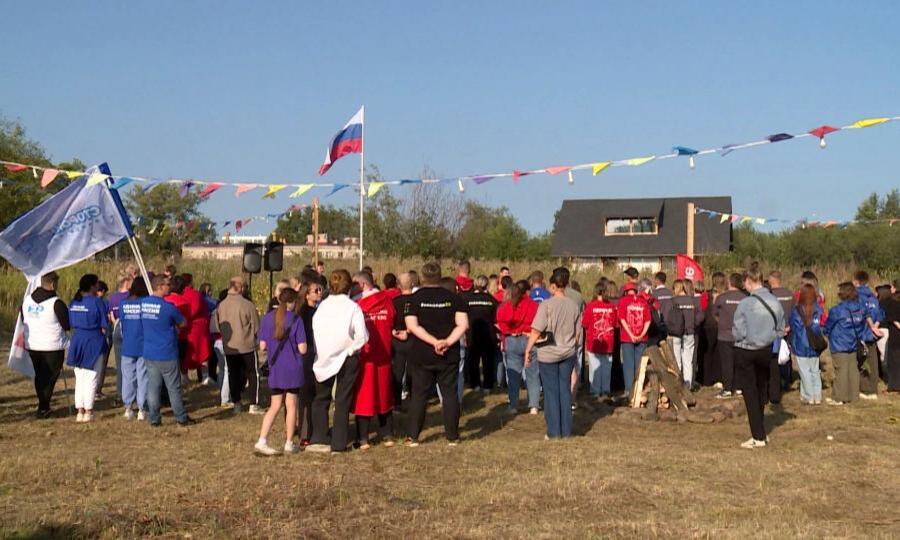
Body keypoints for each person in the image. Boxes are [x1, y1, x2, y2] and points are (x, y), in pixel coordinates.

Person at [404, 262, 468, 446]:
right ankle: (452, 436)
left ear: (422, 277)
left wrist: (433, 342)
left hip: (422, 354)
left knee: (419, 394)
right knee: (449, 394)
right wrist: (446, 342)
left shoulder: (413, 299)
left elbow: (412, 326)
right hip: (448, 353)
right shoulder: (454, 298)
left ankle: (413, 436)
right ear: (440, 277)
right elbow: (462, 325)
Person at [308, 270, 368, 453]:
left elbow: (315, 329)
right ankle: (339, 443)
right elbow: (363, 336)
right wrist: (351, 349)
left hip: (324, 355)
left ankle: (319, 437)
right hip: (347, 356)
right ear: (349, 286)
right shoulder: (352, 307)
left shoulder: (322, 307)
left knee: (320, 398)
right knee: (342, 400)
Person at [525, 267, 581, 439]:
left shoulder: (546, 305)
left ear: (552, 286)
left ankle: (553, 431)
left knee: (550, 392)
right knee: (564, 390)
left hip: (548, 353)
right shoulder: (574, 305)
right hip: (568, 352)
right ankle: (566, 431)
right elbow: (577, 332)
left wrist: (528, 350)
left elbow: (536, 330)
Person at [733, 269, 784, 449]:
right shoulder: (774, 301)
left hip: (747, 349)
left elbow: (738, 330)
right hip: (766, 349)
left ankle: (758, 436)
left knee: (750, 392)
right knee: (761, 388)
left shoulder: (746, 303)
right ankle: (760, 430)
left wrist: (745, 338)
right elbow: (780, 328)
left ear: (748, 281)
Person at [255, 288, 307, 456]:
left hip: (276, 368)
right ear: (294, 302)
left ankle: (262, 440)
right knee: (291, 406)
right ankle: (289, 442)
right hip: (293, 368)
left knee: (274, 406)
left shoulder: (268, 318)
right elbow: (303, 348)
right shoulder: (297, 320)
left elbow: (262, 346)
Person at [141, 275, 193, 426]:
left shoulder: (143, 304)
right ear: (159, 286)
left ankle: (154, 418)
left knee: (153, 386)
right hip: (167, 352)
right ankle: (181, 417)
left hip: (150, 352)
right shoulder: (168, 307)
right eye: (167, 284)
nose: (169, 287)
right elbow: (183, 323)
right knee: (174, 388)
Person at [353, 272, 397, 449]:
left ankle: (363, 438)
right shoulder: (387, 301)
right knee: (384, 394)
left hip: (365, 355)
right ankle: (387, 435)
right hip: (384, 354)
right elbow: (393, 319)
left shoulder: (357, 305)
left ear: (362, 284)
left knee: (364, 396)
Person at [21, 271, 70, 418]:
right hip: (52, 346)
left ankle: (43, 405)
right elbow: (67, 325)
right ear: (53, 284)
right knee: (49, 378)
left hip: (33, 345)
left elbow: (23, 317)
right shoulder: (56, 303)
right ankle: (43, 407)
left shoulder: (27, 300)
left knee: (39, 376)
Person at [216, 276, 262, 414]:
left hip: (229, 347)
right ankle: (254, 403)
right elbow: (256, 326)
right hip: (247, 345)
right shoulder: (247, 305)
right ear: (241, 287)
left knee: (233, 374)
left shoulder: (221, 305)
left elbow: (217, 326)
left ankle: (236, 402)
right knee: (253, 374)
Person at [66, 274, 109, 423]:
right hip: (93, 340)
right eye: (97, 284)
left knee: (80, 377)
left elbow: (70, 322)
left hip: (77, 339)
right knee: (91, 376)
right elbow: (104, 325)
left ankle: (80, 411)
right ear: (92, 286)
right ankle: (88, 411)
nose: (98, 286)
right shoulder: (97, 302)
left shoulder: (73, 302)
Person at [496, 280, 541, 415]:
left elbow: (500, 320)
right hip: (529, 339)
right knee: (533, 374)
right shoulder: (533, 305)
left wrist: (508, 331)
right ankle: (534, 405)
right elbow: (539, 322)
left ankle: (513, 405)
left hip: (512, 340)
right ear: (527, 291)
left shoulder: (507, 305)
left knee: (513, 374)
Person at [824, 283, 867, 405]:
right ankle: (853, 395)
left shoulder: (837, 310)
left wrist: (827, 333)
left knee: (841, 370)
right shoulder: (860, 309)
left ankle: (839, 397)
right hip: (853, 342)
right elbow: (862, 325)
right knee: (853, 369)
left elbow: (828, 326)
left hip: (839, 343)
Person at [119, 277, 150, 420]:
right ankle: (142, 408)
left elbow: (122, 325)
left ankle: (128, 407)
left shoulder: (123, 304)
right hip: (143, 344)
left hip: (128, 344)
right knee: (142, 376)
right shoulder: (145, 304)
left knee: (128, 377)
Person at [712, 273, 747, 399]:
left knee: (727, 362)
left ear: (729, 283)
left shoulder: (721, 297)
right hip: (741, 335)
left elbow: (715, 313)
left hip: (725, 335)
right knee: (739, 362)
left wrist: (722, 322)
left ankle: (727, 389)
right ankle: (739, 387)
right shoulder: (745, 298)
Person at [462, 275, 499, 393]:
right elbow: (496, 317)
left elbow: (464, 317)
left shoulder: (467, 299)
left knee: (473, 360)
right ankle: (488, 385)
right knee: (488, 360)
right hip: (488, 334)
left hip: (472, 333)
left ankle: (475, 384)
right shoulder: (491, 299)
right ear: (486, 285)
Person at [790, 284, 825, 405]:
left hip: (801, 344)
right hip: (815, 343)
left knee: (804, 371)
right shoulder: (818, 309)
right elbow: (820, 324)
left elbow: (794, 326)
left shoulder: (797, 310)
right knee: (815, 370)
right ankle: (817, 396)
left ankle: (809, 396)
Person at [582, 281, 618, 400]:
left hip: (594, 341)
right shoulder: (611, 307)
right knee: (606, 367)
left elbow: (585, 324)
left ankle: (595, 391)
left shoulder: (590, 306)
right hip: (608, 341)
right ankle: (605, 390)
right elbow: (614, 323)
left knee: (594, 366)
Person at [853, 271, 885, 399]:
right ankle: (873, 389)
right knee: (873, 361)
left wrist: (871, 327)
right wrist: (875, 327)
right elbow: (880, 314)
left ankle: (864, 388)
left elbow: (862, 314)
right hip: (872, 334)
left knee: (856, 361)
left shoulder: (856, 296)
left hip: (860, 333)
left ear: (856, 281)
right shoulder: (873, 297)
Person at [670, 279, 704, 389]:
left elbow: (667, 317)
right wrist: (694, 323)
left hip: (676, 333)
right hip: (690, 332)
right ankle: (688, 385)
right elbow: (701, 315)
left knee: (676, 359)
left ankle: (677, 384)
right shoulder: (693, 300)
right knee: (688, 360)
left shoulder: (673, 300)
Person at [617, 282, 650, 396]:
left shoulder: (623, 301)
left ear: (626, 292)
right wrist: (641, 335)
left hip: (627, 338)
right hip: (642, 337)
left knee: (628, 364)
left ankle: (628, 390)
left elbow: (622, 319)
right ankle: (639, 389)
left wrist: (631, 334)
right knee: (639, 365)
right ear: (636, 291)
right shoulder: (643, 301)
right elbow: (648, 321)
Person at [767, 271, 795, 401]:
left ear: (772, 281)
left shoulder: (770, 295)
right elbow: (794, 312)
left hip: (775, 330)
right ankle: (787, 380)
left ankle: (776, 382)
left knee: (775, 357)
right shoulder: (789, 294)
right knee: (786, 355)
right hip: (788, 328)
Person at [107, 271, 133, 404]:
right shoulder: (130, 297)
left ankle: (120, 394)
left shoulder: (112, 298)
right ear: (127, 282)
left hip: (116, 329)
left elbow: (111, 316)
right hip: (129, 330)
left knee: (120, 365)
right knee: (133, 364)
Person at [391, 273, 415, 409]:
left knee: (397, 371)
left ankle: (396, 402)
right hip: (414, 339)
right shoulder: (418, 300)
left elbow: (391, 321)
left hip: (398, 339)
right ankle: (413, 398)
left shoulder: (394, 302)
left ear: (398, 286)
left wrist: (394, 331)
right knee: (413, 370)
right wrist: (409, 331)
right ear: (413, 283)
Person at [181, 273, 211, 384]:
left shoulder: (182, 294)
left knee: (186, 353)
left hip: (187, 327)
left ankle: (184, 376)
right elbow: (196, 308)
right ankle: (205, 376)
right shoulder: (195, 294)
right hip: (197, 327)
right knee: (202, 352)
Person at [699, 272, 726, 387]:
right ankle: (718, 379)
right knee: (718, 354)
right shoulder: (725, 295)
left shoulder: (706, 294)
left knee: (707, 354)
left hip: (708, 326)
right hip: (720, 326)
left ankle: (706, 379)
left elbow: (702, 309)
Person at [94, 280, 111, 399]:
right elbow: (108, 319)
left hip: (90, 337)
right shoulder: (103, 303)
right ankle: (97, 390)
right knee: (101, 364)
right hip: (102, 336)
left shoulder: (87, 301)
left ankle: (93, 389)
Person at [883, 279, 900, 392]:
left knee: (894, 359)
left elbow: (891, 317)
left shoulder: (892, 301)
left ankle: (894, 385)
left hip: (895, 333)